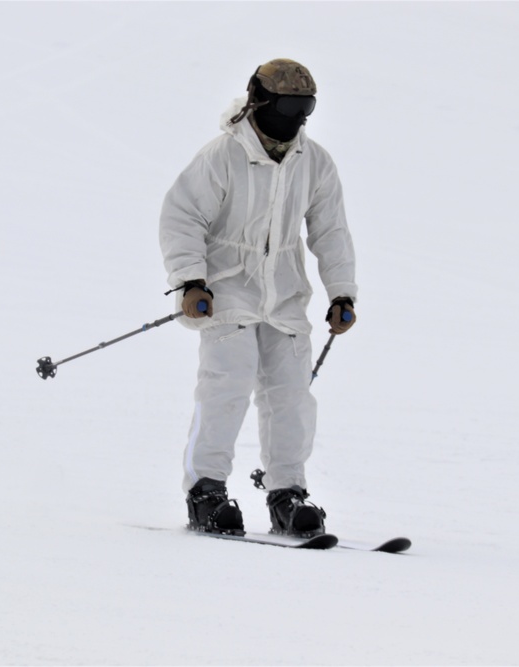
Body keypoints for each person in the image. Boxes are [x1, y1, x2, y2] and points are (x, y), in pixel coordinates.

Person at [159, 58, 357, 537]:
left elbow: (330, 232)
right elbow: (183, 217)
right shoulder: (222, 156)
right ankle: (205, 492)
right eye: (289, 106)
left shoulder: (314, 162)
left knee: (291, 397)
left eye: (305, 107)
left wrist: (341, 292)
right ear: (260, 101)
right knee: (225, 389)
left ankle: (286, 494)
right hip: (226, 291)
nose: (297, 119)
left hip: (285, 296)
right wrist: (190, 281)